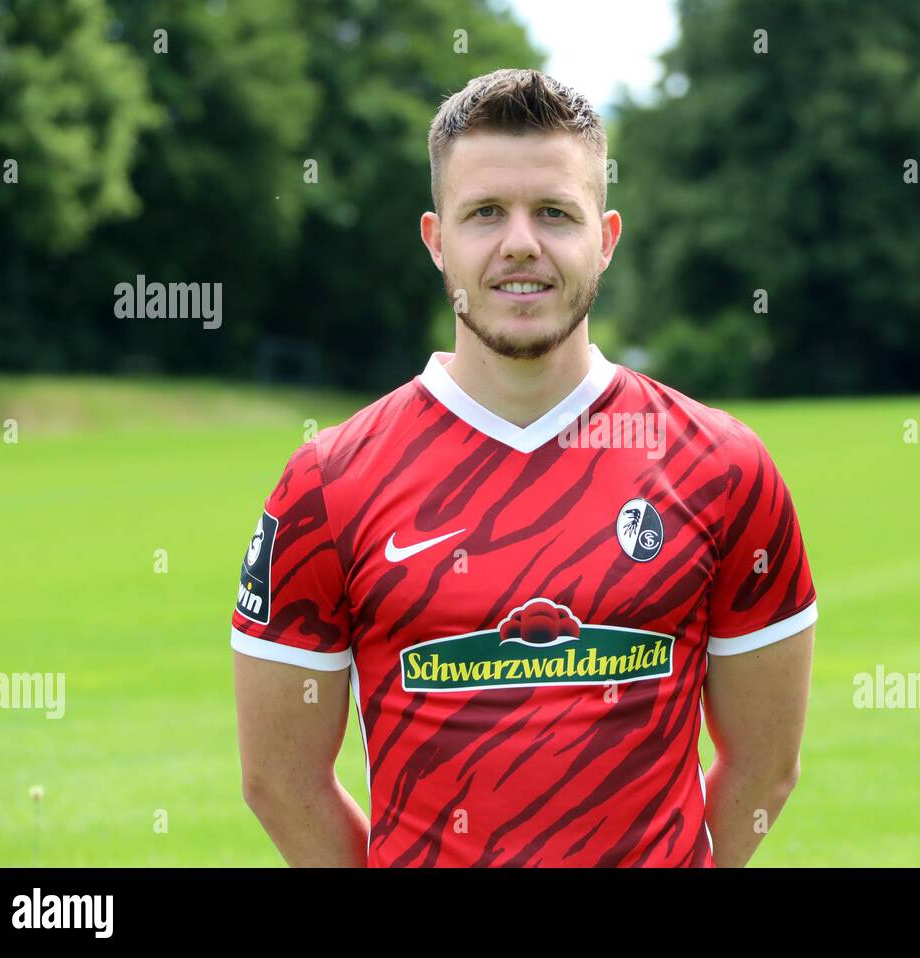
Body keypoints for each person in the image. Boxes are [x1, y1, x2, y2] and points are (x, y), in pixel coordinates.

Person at [231, 68, 817, 867]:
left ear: (605, 239)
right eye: (484, 214)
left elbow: (766, 768)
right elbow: (279, 780)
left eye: (553, 213)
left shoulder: (724, 470)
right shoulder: (327, 484)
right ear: (438, 241)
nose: (520, 244)